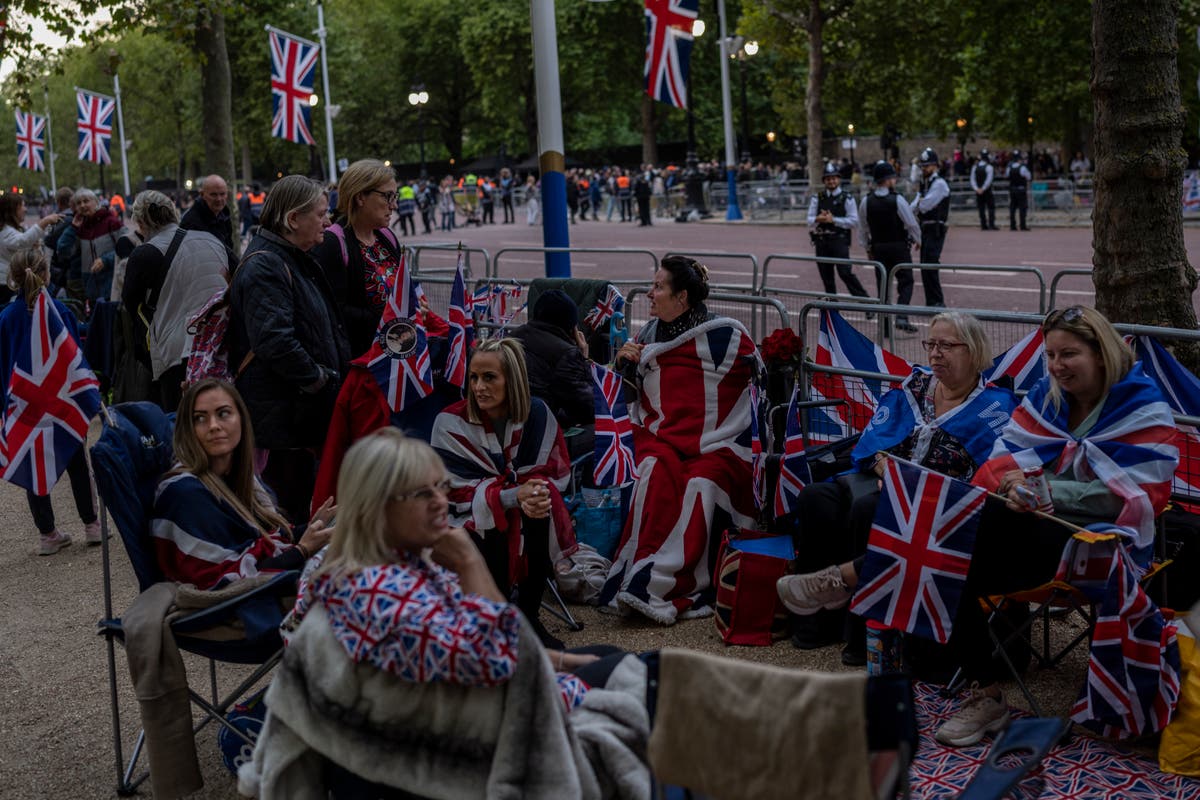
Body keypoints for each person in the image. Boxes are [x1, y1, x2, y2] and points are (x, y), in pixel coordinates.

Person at [243, 429, 643, 798]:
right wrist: (470, 562)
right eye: (422, 493)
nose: (441, 502)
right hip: (470, 746)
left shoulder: (391, 566)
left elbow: (492, 646)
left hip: (475, 715)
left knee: (610, 658)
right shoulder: (376, 595)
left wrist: (564, 660)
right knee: (640, 682)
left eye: (441, 487)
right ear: (378, 507)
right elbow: (502, 662)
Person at [776, 312, 1016, 662]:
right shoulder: (914, 388)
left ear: (974, 351)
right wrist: (883, 467)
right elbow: (874, 441)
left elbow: (987, 473)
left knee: (868, 509)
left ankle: (864, 638)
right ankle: (815, 624)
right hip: (882, 478)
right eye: (930, 344)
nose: (935, 353)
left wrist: (907, 485)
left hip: (935, 501)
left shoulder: (995, 407)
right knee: (816, 498)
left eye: (946, 345)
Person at [600, 257, 759, 624]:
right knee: (652, 472)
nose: (649, 294)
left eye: (658, 287)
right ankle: (637, 573)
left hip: (718, 443)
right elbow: (629, 399)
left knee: (702, 485)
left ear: (682, 297)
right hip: (662, 440)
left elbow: (754, 384)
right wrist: (622, 363)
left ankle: (670, 583)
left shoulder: (726, 334)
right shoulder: (646, 335)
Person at [431, 338, 579, 649]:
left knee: (540, 505)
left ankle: (527, 615)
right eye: (473, 377)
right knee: (492, 517)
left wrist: (534, 493)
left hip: (522, 507)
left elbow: (554, 472)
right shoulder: (449, 422)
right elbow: (454, 492)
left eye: (489, 377)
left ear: (511, 380)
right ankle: (495, 615)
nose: (479, 387)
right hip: (463, 517)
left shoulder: (538, 413)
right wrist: (513, 495)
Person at [227, 174, 351, 523]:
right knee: (294, 515)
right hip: (286, 421)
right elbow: (275, 341)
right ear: (293, 219)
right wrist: (319, 380)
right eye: (321, 213)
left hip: (294, 415)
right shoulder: (267, 265)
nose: (328, 221)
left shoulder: (287, 256)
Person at [151, 379, 335, 590]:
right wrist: (302, 550)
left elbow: (263, 545)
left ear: (242, 420)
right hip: (222, 615)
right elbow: (226, 583)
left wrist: (312, 528)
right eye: (199, 418)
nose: (213, 426)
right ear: (187, 430)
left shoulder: (235, 477)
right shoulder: (183, 494)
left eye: (223, 413)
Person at [0, 248, 100, 555]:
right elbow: (74, 356)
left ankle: (48, 534)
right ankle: (92, 524)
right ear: (46, 275)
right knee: (77, 463)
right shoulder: (58, 311)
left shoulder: (5, 317)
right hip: (62, 403)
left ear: (13, 279)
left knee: (34, 467)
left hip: (25, 406)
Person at [122, 190, 229, 411]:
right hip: (224, 341)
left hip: (179, 349)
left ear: (141, 222)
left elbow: (131, 304)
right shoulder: (212, 239)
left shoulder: (144, 254)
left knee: (182, 419)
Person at [313, 158, 402, 357]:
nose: (394, 205)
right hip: (359, 361)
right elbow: (333, 310)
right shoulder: (333, 243)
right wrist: (386, 316)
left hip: (394, 352)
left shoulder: (387, 237)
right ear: (360, 197)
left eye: (395, 196)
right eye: (388, 196)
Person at [509, 289, 595, 433]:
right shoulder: (566, 354)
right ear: (572, 327)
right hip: (540, 431)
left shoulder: (512, 337)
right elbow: (589, 410)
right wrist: (584, 359)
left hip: (511, 423)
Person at [858, 160, 921, 333]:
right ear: (887, 180)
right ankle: (901, 315)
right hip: (899, 246)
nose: (894, 180)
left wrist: (867, 248)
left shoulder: (866, 201)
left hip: (878, 247)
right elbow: (910, 223)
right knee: (906, 281)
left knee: (883, 285)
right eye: (892, 177)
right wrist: (918, 239)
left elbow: (863, 229)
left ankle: (884, 325)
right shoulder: (897, 199)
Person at [808, 161, 869, 299]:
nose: (831, 181)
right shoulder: (817, 198)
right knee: (827, 278)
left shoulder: (847, 198)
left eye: (834, 178)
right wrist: (819, 219)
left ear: (839, 179)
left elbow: (854, 221)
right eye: (828, 178)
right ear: (824, 180)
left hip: (839, 241)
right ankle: (833, 311)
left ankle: (866, 303)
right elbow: (809, 220)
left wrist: (833, 220)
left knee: (845, 273)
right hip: (821, 241)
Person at [0, 191, 61, 305]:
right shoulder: (5, 232)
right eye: (22, 205)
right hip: (6, 286)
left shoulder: (9, 230)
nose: (25, 209)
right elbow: (22, 241)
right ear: (13, 210)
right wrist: (45, 221)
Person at [72, 188, 127, 305]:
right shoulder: (80, 228)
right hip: (90, 289)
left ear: (96, 202)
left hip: (112, 286)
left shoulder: (111, 222)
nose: (82, 205)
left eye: (86, 201)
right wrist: (72, 229)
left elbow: (129, 245)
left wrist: (105, 260)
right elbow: (65, 251)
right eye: (78, 203)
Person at [909, 147, 949, 308]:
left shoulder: (939, 183)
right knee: (925, 266)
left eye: (927, 166)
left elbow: (925, 205)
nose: (924, 169)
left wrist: (918, 204)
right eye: (923, 166)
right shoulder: (925, 184)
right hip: (925, 228)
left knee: (931, 265)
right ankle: (931, 302)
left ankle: (938, 302)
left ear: (935, 166)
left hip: (935, 228)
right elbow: (914, 206)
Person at [179, 174, 236, 256]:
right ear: (202, 195)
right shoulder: (191, 222)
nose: (219, 199)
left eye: (222, 194)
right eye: (213, 195)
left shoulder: (224, 215)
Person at [970, 149, 998, 231]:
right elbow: (989, 180)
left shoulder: (975, 167)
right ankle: (991, 224)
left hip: (979, 190)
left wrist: (977, 188)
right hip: (987, 191)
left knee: (981, 208)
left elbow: (972, 179)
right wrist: (983, 188)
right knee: (991, 207)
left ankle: (983, 224)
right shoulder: (989, 167)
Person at [1007, 149, 1031, 231]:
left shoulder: (1009, 168)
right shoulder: (1022, 168)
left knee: (1012, 208)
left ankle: (1012, 225)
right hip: (1021, 190)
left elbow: (1007, 176)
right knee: (1022, 208)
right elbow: (1028, 177)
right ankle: (1022, 225)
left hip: (1012, 189)